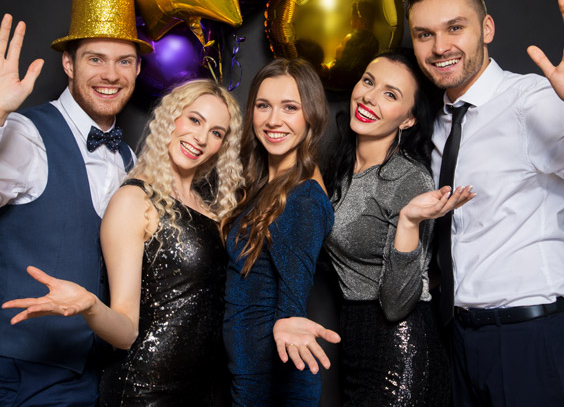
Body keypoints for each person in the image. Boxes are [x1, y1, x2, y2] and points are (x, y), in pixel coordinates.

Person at [406, 0, 564, 406]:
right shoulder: (433, 123)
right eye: (424, 34)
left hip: (531, 339)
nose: (440, 47)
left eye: (455, 28)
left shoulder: (534, 101)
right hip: (457, 340)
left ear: (487, 29)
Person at [4, 79, 244, 406]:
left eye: (216, 132)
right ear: (170, 118)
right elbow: (126, 332)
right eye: (194, 119)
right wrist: (91, 305)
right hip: (148, 391)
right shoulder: (134, 200)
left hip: (205, 390)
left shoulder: (210, 210)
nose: (201, 138)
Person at [0, 0, 151, 406]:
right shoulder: (25, 133)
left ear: (138, 69)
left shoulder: (129, 157)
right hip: (21, 373)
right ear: (68, 63)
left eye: (124, 61)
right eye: (95, 59)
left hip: (94, 375)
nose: (111, 75)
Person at [322, 48, 475, 406]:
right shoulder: (340, 168)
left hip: (401, 352)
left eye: (390, 95)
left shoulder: (409, 179)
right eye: (368, 82)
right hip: (355, 344)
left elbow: (396, 305)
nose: (369, 97)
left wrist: (408, 221)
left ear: (408, 120)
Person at [220, 58, 334, 406]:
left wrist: (290, 318)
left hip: (274, 383)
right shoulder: (263, 187)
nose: (273, 120)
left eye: (290, 107)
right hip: (248, 376)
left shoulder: (304, 196)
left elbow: (297, 280)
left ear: (311, 115)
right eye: (263, 106)